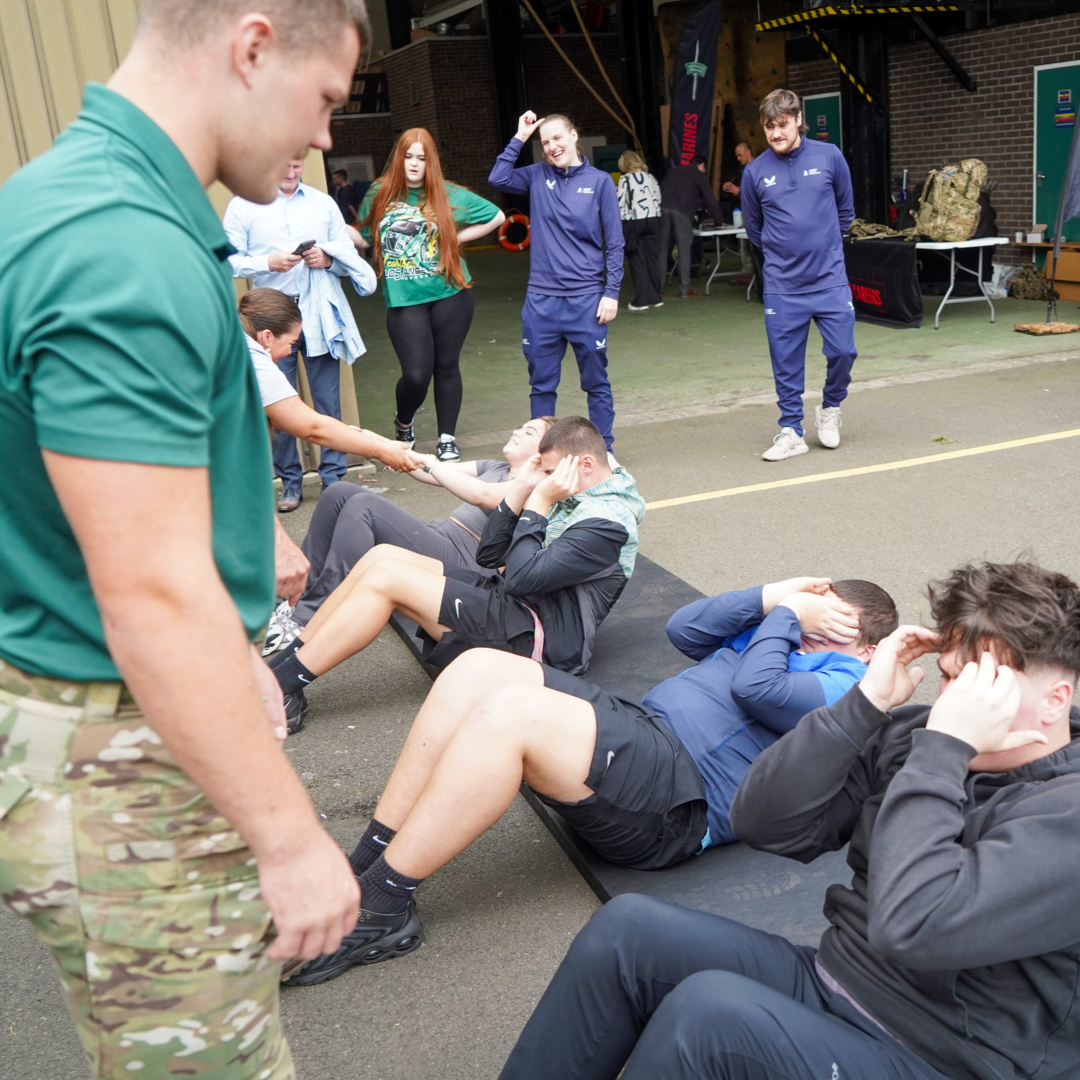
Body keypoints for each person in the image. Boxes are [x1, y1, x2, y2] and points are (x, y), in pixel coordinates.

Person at [0, 2, 367, 1077]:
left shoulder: (68, 201)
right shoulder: (125, 254)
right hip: (123, 768)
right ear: (252, 46)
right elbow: (153, 593)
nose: (325, 137)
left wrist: (237, 651)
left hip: (88, 720)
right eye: (328, 100)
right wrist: (293, 839)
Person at [499, 559, 1080, 1080]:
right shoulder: (919, 738)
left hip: (944, 1053)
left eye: (984, 683)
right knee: (628, 933)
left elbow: (914, 924)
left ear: (1055, 700)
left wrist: (943, 752)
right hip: (839, 978)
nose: (955, 699)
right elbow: (767, 823)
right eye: (953, 677)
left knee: (712, 1017)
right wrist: (863, 707)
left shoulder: (1060, 806)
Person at [281, 575, 892, 986]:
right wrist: (771, 596)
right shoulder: (776, 631)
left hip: (678, 802)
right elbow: (685, 629)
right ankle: (367, 861)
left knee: (509, 717)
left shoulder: (848, 685)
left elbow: (756, 688)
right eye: (812, 620)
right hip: (643, 731)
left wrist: (786, 617)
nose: (802, 634)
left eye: (825, 628)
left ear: (864, 648)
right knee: (478, 669)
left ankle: (383, 906)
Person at [267, 416, 644, 730]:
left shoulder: (609, 521)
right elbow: (490, 553)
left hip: (538, 639)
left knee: (387, 580)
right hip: (509, 602)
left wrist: (540, 500)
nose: (545, 480)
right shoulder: (576, 490)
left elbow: (521, 577)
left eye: (548, 472)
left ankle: (279, 687)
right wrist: (523, 491)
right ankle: (281, 675)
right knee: (381, 558)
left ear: (585, 465)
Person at [264, 416, 556, 655]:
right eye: (519, 426)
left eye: (528, 431)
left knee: (365, 507)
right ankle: (297, 599)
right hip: (436, 539)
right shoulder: (495, 467)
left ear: (544, 452)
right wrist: (373, 442)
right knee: (340, 492)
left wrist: (428, 462)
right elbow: (428, 470)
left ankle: (309, 617)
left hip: (465, 566)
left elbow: (480, 494)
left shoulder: (533, 484)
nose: (517, 431)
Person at [224, 156, 377, 511]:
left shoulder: (323, 203)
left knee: (327, 401)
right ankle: (290, 483)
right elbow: (225, 260)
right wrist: (267, 263)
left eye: (297, 166)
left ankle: (334, 481)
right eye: (284, 166)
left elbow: (345, 256)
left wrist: (328, 260)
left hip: (317, 311)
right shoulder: (242, 205)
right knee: (277, 405)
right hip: (271, 317)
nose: (292, 174)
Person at [359, 128, 505, 463]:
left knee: (447, 365)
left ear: (430, 162)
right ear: (400, 158)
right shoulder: (380, 193)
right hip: (405, 297)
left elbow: (497, 217)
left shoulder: (448, 193)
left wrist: (454, 240)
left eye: (421, 158)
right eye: (408, 156)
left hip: (451, 292)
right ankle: (404, 420)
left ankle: (447, 437)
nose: (414, 164)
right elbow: (366, 236)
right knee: (416, 373)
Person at [489, 112, 623, 454]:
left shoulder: (600, 182)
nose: (551, 147)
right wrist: (520, 136)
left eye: (557, 139)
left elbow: (616, 242)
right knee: (542, 385)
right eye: (545, 142)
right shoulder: (536, 176)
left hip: (586, 300)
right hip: (541, 303)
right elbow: (498, 177)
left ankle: (603, 452)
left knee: (595, 381)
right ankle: (543, 455)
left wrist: (611, 293)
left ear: (574, 135)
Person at [741, 88, 856, 462]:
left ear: (798, 119)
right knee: (785, 363)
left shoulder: (829, 156)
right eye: (769, 127)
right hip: (782, 286)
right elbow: (754, 229)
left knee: (843, 351)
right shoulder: (755, 171)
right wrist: (783, 253)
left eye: (782, 125)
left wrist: (822, 249)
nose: (775, 134)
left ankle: (831, 408)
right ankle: (791, 430)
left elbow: (845, 211)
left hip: (829, 280)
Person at [658, 153, 727, 299]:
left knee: (662, 250)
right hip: (682, 211)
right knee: (684, 250)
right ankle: (685, 289)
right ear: (702, 165)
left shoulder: (673, 171)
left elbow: (661, 190)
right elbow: (710, 199)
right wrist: (719, 220)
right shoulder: (699, 175)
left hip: (663, 209)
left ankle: (658, 289)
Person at [616, 150, 663, 311]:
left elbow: (620, 202)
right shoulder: (650, 177)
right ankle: (656, 297)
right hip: (654, 219)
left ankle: (641, 300)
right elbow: (658, 197)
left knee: (637, 259)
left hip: (635, 221)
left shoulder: (625, 179)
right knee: (652, 258)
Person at [722, 140, 756, 285]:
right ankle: (747, 273)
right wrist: (732, 188)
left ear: (747, 152)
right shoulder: (744, 170)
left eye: (740, 155)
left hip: (755, 214)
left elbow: (757, 192)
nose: (738, 158)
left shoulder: (756, 168)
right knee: (744, 244)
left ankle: (755, 274)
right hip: (744, 211)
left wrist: (739, 191)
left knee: (753, 245)